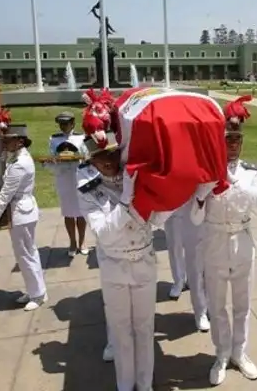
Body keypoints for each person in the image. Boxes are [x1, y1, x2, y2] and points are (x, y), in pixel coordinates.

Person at [192, 97, 257, 386]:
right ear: (219, 140)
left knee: (242, 303)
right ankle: (222, 354)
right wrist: (202, 194)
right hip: (214, 242)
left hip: (242, 241)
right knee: (217, 304)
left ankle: (240, 351)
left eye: (237, 138)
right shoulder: (207, 173)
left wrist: (236, 182)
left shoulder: (251, 172)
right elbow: (195, 219)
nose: (234, 143)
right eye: (228, 138)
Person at [76, 131, 156, 391]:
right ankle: (125, 386)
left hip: (143, 262)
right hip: (114, 267)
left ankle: (144, 385)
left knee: (144, 330)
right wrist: (126, 202)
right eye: (100, 156)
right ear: (92, 161)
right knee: (121, 332)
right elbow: (104, 234)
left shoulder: (137, 181)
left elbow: (157, 220)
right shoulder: (90, 192)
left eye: (112, 153)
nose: (108, 161)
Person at [0, 123, 47, 312]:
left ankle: (37, 295)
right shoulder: (16, 157)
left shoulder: (20, 164)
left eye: (8, 140)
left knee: (25, 254)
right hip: (22, 210)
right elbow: (3, 162)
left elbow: (4, 196)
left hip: (21, 213)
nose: (5, 143)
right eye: (4, 140)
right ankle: (37, 290)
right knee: (28, 253)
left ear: (20, 141)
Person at [43, 111, 88, 257]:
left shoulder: (81, 137)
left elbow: (87, 156)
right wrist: (53, 160)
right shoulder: (54, 139)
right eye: (61, 124)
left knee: (81, 212)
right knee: (68, 213)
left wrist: (78, 157)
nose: (63, 126)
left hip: (78, 176)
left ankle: (82, 241)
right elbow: (51, 155)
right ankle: (72, 242)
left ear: (73, 124)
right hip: (64, 178)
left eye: (66, 123)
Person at [163, 199, 210, 331]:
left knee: (199, 260)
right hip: (172, 203)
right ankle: (179, 280)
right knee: (174, 244)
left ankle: (203, 307)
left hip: (195, 203)